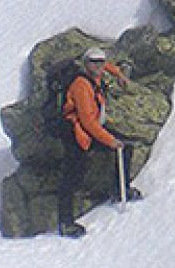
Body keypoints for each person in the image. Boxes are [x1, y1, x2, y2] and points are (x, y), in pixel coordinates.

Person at [57, 46, 133, 237]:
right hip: (77, 133)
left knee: (126, 149)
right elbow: (88, 122)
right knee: (73, 176)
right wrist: (110, 141)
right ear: (86, 63)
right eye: (93, 62)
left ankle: (120, 189)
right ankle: (66, 223)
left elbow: (106, 66)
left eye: (101, 61)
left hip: (89, 130)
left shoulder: (95, 73)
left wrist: (119, 74)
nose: (99, 65)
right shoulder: (81, 85)